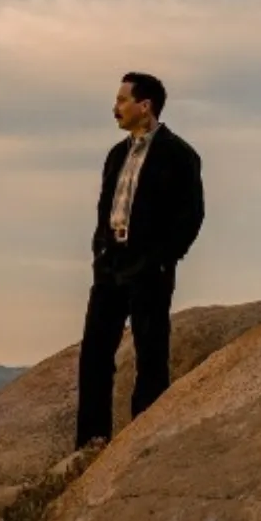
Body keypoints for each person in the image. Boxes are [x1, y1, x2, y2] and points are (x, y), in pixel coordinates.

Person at [74, 72, 205, 449]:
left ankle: (142, 442)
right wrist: (100, 251)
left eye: (122, 100)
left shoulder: (179, 154)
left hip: (149, 266)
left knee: (151, 355)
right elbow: (106, 208)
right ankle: (90, 442)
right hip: (111, 262)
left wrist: (163, 260)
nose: (115, 107)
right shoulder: (117, 154)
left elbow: (191, 215)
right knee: (95, 353)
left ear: (144, 106)